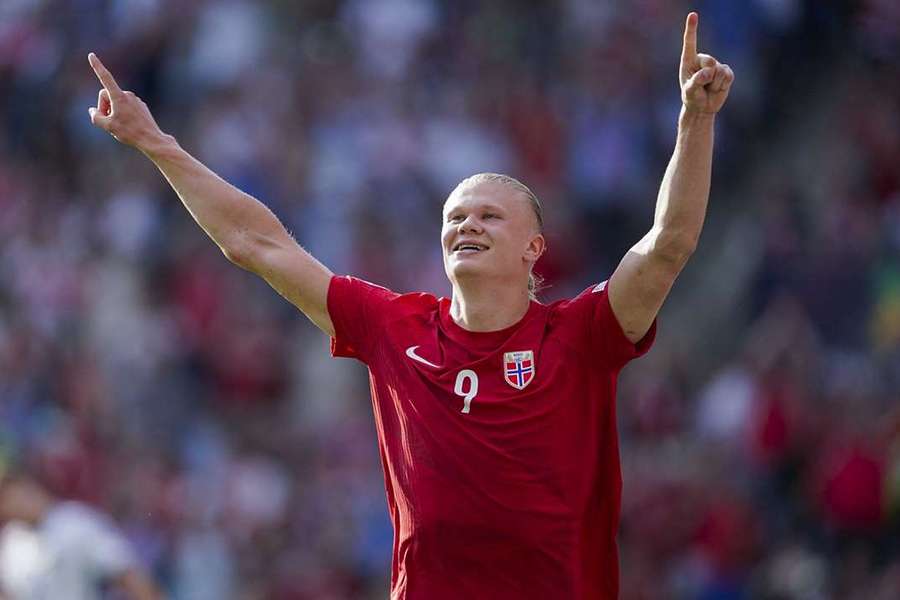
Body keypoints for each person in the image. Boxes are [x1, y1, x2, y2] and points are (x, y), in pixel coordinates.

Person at [86, 11, 733, 600]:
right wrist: (157, 144)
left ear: (535, 247)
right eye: (454, 216)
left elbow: (668, 244)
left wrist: (695, 120)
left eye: (488, 215)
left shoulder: (582, 334)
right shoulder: (395, 327)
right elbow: (254, 242)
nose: (465, 225)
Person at [0, 468, 162, 600]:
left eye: (8, 497)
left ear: (28, 489)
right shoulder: (13, 543)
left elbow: (128, 574)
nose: (8, 507)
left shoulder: (76, 521)